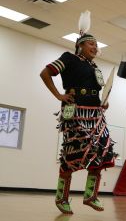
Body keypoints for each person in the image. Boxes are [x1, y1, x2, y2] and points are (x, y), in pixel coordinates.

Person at [40, 32, 115, 214]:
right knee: (73, 154)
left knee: (102, 151)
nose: (95, 48)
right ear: (80, 45)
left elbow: (97, 92)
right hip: (75, 113)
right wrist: (59, 95)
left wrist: (103, 102)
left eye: (96, 45)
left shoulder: (95, 67)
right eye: (91, 44)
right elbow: (45, 73)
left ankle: (90, 195)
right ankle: (61, 197)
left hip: (96, 115)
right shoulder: (69, 58)